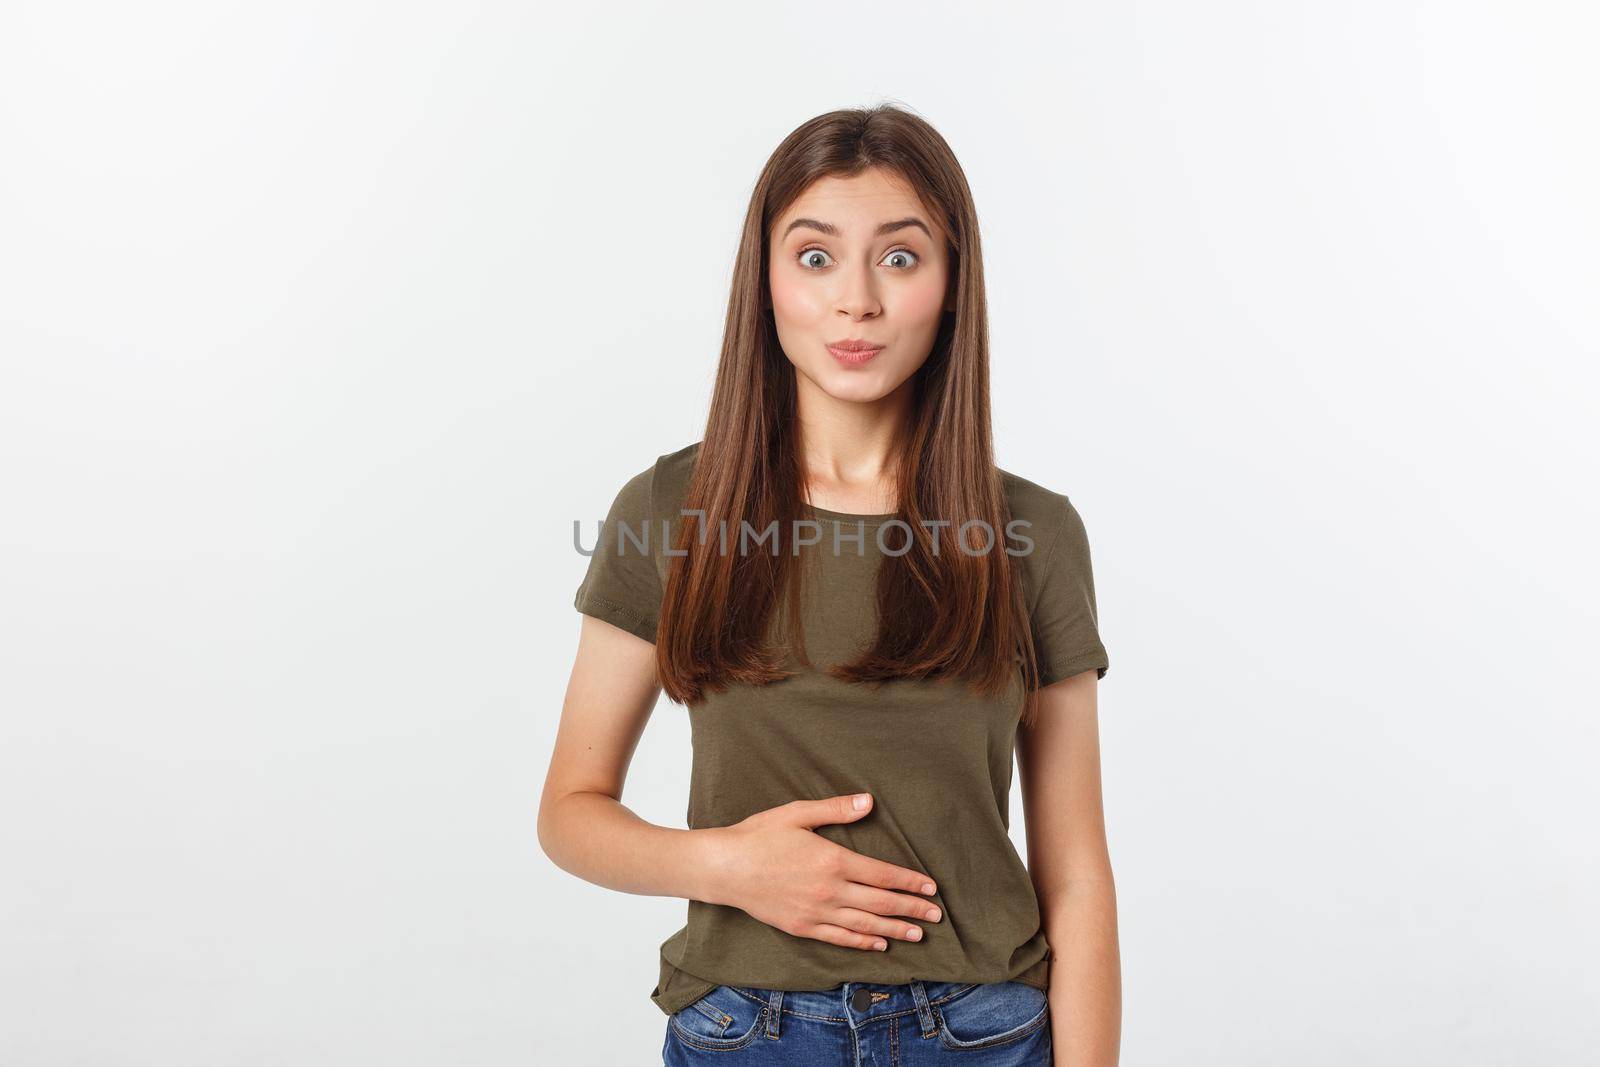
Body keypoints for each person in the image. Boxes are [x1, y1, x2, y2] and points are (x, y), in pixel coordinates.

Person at [539, 104, 1119, 1066]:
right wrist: (733, 866)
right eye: (815, 257)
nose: (857, 301)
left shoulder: (1033, 533)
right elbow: (570, 809)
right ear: (764, 282)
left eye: (899, 257)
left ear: (952, 283)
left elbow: (1078, 873)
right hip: (746, 1034)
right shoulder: (672, 508)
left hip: (983, 1034)